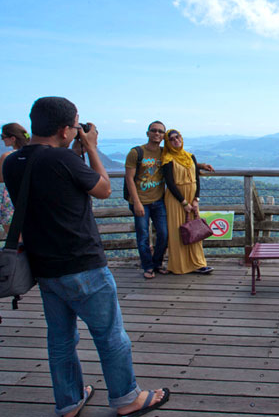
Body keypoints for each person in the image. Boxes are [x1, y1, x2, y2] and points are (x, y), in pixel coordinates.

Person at [2, 97, 168, 417]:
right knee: (110, 336)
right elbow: (104, 189)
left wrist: (73, 153)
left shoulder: (12, 161)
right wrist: (91, 147)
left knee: (61, 340)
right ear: (66, 130)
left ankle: (69, 401)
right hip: (83, 264)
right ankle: (126, 398)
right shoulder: (64, 161)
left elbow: (51, 186)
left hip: (44, 268)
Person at [162, 129, 212, 274]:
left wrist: (196, 199)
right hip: (176, 199)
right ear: (168, 143)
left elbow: (196, 178)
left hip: (192, 197)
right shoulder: (167, 159)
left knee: (195, 230)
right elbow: (170, 184)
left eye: (177, 137)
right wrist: (184, 202)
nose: (176, 140)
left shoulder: (190, 157)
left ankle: (198, 263)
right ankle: (180, 265)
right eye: (171, 139)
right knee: (179, 231)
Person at [124, 121, 169, 279]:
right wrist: (136, 202)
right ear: (148, 133)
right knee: (142, 236)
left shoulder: (164, 153)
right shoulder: (136, 152)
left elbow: (182, 163)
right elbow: (129, 178)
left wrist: (200, 165)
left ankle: (157, 263)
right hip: (140, 201)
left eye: (161, 132)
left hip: (158, 200)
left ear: (164, 136)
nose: (157, 133)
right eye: (154, 130)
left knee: (164, 234)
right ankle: (148, 266)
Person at [0, 122, 30, 235]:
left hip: (10, 198)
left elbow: (1, 179)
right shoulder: (33, 154)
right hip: (28, 196)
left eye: (3, 137)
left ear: (13, 138)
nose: (2, 140)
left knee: (13, 236)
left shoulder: (7, 156)